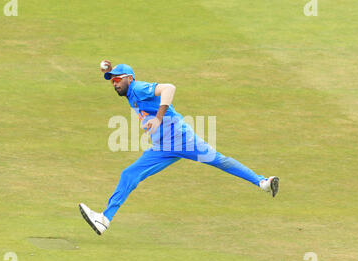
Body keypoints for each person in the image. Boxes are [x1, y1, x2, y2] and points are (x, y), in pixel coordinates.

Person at [79, 60, 279, 235]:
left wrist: (157, 118)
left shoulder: (138, 87)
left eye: (117, 81)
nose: (114, 85)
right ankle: (104, 220)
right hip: (163, 147)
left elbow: (169, 88)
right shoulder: (130, 90)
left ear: (129, 78)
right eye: (112, 82)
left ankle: (262, 182)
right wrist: (113, 70)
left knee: (220, 161)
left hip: (181, 139)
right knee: (129, 174)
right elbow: (123, 77)